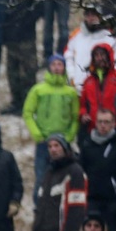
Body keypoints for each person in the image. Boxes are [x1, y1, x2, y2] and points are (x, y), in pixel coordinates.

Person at [22, 54, 80, 192]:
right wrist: (37, 135)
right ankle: (39, 209)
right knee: (42, 178)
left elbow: (75, 117)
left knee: (65, 178)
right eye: (54, 64)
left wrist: (69, 136)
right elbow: (28, 113)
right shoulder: (38, 90)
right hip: (44, 142)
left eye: (60, 64)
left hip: (64, 143)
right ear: (49, 67)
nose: (57, 68)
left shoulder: (70, 92)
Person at [2, 0, 45, 114]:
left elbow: (40, 8)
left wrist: (27, 20)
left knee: (28, 71)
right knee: (12, 72)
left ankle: (30, 103)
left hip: (26, 35)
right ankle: (16, 102)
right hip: (11, 36)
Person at [64, 6, 116, 90]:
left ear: (100, 17)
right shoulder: (76, 35)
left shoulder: (110, 36)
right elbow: (68, 57)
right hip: (80, 87)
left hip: (106, 88)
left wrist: (115, 78)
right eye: (88, 15)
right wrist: (72, 76)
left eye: (93, 15)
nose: (90, 18)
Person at [78, 43, 116, 128]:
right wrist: (83, 114)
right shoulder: (88, 81)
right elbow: (83, 105)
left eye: (102, 54)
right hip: (95, 128)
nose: (100, 58)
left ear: (109, 56)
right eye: (96, 55)